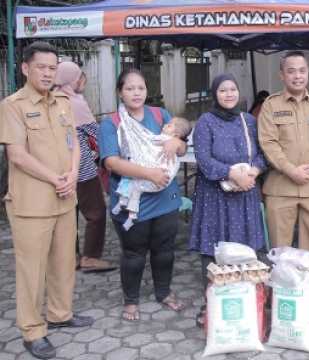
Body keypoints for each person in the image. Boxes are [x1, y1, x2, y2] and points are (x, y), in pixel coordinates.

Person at [0, 42, 94, 360]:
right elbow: (17, 155)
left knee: (63, 262)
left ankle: (59, 314)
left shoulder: (63, 102)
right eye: (41, 67)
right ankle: (32, 330)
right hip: (32, 203)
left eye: (52, 68)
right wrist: (56, 179)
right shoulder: (12, 105)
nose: (47, 73)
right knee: (32, 270)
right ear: (25, 68)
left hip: (65, 198)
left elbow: (74, 143)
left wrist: (72, 173)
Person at [99, 68, 187, 323]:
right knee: (134, 253)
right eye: (130, 88)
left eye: (141, 88)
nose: (136, 93)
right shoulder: (112, 123)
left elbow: (181, 147)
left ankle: (163, 292)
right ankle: (131, 300)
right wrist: (148, 173)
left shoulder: (160, 115)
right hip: (132, 201)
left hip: (165, 198)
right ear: (120, 92)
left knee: (164, 249)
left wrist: (177, 143)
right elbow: (111, 163)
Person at [190, 73, 267, 328]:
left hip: (244, 195)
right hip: (215, 196)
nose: (229, 94)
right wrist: (233, 174)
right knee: (213, 247)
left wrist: (253, 171)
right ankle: (211, 303)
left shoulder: (249, 121)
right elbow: (203, 159)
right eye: (223, 90)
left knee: (245, 247)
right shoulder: (205, 122)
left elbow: (261, 154)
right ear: (215, 94)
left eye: (233, 89)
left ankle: (244, 300)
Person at [257, 51, 309, 257]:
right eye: (291, 71)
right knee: (279, 253)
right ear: (281, 74)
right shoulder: (271, 105)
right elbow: (268, 143)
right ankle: (280, 280)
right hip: (280, 188)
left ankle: (308, 279)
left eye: (302, 71)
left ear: (308, 72)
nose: (297, 76)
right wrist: (291, 170)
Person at [54, 61, 116, 273]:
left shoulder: (52, 99)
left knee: (67, 216)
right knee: (96, 213)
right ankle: (89, 257)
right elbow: (96, 132)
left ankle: (71, 257)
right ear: (72, 79)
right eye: (80, 77)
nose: (83, 81)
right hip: (81, 170)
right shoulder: (75, 103)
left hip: (58, 171)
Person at [112, 114, 191, 229]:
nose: (164, 126)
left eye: (168, 125)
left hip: (155, 177)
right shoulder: (172, 140)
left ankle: (123, 200)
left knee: (130, 180)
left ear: (176, 135)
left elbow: (146, 139)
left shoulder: (163, 138)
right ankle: (132, 216)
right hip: (163, 182)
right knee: (137, 190)